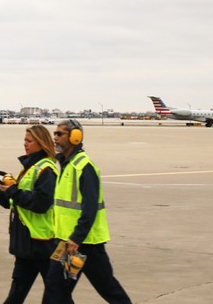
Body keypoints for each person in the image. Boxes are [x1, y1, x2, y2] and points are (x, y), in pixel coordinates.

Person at [45, 119, 131, 304]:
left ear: (75, 137)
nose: (55, 138)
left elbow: (90, 207)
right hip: (67, 243)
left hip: (85, 243)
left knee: (108, 288)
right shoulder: (67, 165)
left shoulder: (84, 167)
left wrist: (76, 237)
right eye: (55, 134)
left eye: (60, 134)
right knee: (56, 288)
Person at [0, 124, 59, 304]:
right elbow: (17, 202)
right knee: (17, 294)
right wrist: (0, 194)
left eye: (29, 140)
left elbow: (41, 203)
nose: (25, 144)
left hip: (42, 243)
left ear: (40, 143)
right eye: (24, 140)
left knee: (57, 294)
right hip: (27, 243)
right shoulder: (30, 167)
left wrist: (12, 191)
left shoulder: (46, 169)